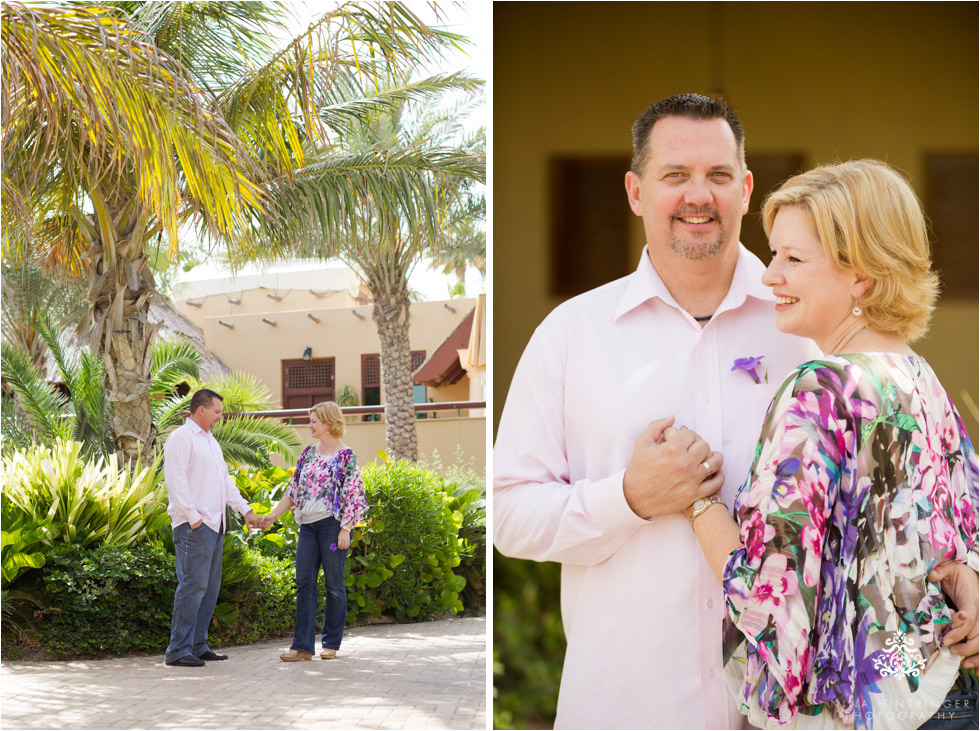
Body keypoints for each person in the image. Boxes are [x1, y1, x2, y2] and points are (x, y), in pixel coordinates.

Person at [492, 94, 979, 729]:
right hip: (628, 704)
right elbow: (506, 513)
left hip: (803, 714)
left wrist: (968, 576)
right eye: (675, 176)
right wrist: (631, 496)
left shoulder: (812, 329)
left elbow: (943, 498)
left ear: (746, 188)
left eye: (719, 175)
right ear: (636, 192)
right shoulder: (570, 334)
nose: (700, 195)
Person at [685, 160, 979, 729]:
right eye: (774, 255)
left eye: (793, 259)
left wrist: (697, 505)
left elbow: (771, 597)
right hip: (943, 690)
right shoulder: (923, 381)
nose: (770, 275)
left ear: (860, 278)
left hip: (863, 716)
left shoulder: (821, 389)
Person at [259, 401, 368, 662]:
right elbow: (293, 491)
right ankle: (303, 647)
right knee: (304, 583)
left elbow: (354, 495)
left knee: (334, 585)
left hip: (332, 529)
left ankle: (330, 643)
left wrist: (346, 529)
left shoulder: (346, 456)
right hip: (307, 527)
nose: (309, 425)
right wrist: (273, 515)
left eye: (314, 421)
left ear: (328, 424)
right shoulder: (308, 453)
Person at [164, 388, 261, 667]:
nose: (220, 417)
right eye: (217, 412)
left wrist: (246, 510)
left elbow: (225, 483)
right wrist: (193, 518)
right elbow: (176, 482)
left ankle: (196, 644)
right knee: (192, 587)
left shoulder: (211, 441)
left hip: (214, 526)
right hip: (194, 526)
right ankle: (177, 649)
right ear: (201, 410)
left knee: (209, 588)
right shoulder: (181, 439)